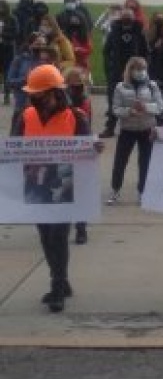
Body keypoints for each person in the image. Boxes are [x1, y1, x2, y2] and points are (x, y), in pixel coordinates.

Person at [12, 65, 102, 313]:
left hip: (65, 187)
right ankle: (61, 279)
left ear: (55, 93)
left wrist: (94, 149)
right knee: (45, 236)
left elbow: (87, 152)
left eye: (40, 95)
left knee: (58, 236)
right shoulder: (25, 116)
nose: (36, 100)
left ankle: (57, 287)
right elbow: (13, 149)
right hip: (36, 187)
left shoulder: (76, 118)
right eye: (33, 96)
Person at [108, 56, 163, 205]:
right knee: (120, 161)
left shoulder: (152, 86)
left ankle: (142, 192)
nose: (140, 72)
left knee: (145, 162)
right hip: (128, 129)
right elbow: (115, 109)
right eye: (137, 68)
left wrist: (146, 107)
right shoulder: (120, 87)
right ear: (130, 70)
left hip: (146, 128)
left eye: (143, 68)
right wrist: (129, 111)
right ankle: (115, 190)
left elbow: (160, 106)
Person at [100, 8, 148, 138]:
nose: (127, 20)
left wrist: (143, 68)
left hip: (135, 71)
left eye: (129, 17)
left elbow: (145, 51)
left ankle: (137, 128)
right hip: (116, 71)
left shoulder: (139, 32)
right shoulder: (114, 31)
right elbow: (106, 51)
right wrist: (109, 67)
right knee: (113, 100)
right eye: (124, 17)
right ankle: (110, 127)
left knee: (137, 99)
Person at [64, 67, 91, 245]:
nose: (76, 89)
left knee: (80, 192)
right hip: (63, 149)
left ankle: (81, 228)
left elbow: (87, 127)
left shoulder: (85, 103)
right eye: (73, 85)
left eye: (79, 85)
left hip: (78, 148)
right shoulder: (60, 101)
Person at [8, 34, 48, 125]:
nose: (41, 47)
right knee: (16, 136)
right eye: (38, 44)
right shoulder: (19, 60)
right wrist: (25, 79)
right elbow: (10, 81)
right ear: (30, 44)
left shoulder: (47, 61)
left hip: (42, 108)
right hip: (21, 106)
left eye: (43, 45)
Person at [0, 0, 19, 104]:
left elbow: (16, 33)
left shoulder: (12, 19)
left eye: (2, 7)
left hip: (8, 48)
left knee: (7, 71)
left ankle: (7, 94)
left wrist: (3, 33)